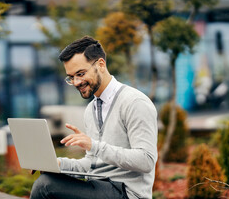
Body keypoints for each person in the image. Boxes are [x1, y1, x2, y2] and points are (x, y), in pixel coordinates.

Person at [30, 36, 158, 199]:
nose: (76, 82)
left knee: (46, 186)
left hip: (127, 193)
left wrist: (94, 146)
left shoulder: (135, 103)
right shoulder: (91, 109)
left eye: (80, 74)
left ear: (101, 65)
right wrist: (57, 164)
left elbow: (146, 161)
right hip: (99, 186)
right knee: (49, 178)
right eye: (71, 77)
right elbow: (90, 165)